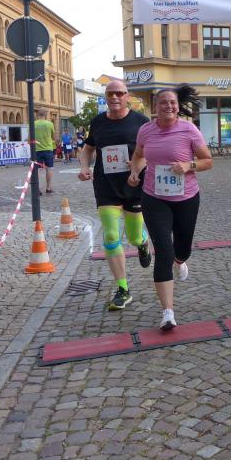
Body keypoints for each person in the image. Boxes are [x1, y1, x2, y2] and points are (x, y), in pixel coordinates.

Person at [128, 85, 213, 331]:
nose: (168, 106)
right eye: (163, 102)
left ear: (178, 106)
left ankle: (180, 259)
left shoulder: (189, 129)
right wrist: (134, 172)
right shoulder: (146, 130)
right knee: (163, 251)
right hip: (154, 197)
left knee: (182, 249)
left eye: (172, 102)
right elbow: (138, 155)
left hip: (186, 198)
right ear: (156, 106)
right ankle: (168, 312)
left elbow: (208, 161)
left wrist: (188, 165)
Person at [78, 81, 152, 310]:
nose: (115, 97)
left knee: (134, 237)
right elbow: (88, 148)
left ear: (127, 96)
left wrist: (138, 165)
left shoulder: (141, 121)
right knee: (111, 236)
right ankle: (123, 289)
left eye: (119, 93)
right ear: (106, 96)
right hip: (106, 185)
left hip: (134, 183)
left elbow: (152, 150)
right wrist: (84, 166)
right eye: (110, 93)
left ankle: (143, 242)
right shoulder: (98, 122)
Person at [34, 109, 56, 194]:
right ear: (45, 115)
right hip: (48, 149)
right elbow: (53, 137)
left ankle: (38, 189)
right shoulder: (50, 124)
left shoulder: (33, 124)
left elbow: (29, 138)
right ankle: (48, 188)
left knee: (37, 170)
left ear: (37, 115)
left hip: (37, 150)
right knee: (49, 169)